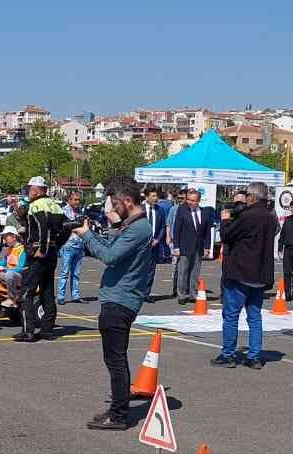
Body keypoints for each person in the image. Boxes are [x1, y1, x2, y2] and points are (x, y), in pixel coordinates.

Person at [77, 180, 154, 430]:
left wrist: (87, 235)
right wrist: (115, 224)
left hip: (121, 300)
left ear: (128, 202)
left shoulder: (140, 228)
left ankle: (119, 415)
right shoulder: (132, 225)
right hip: (116, 298)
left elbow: (109, 256)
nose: (112, 208)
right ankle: (116, 409)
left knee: (116, 360)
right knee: (113, 358)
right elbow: (114, 248)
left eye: (115, 204)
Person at [214, 181, 278, 369]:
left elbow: (227, 235)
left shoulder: (248, 216)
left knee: (231, 314)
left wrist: (226, 219)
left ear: (252, 197)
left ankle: (228, 354)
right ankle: (254, 356)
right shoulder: (271, 217)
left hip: (241, 271)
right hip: (260, 274)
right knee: (254, 316)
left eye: (247, 197)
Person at [20, 175, 67, 342]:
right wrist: (57, 245)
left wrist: (41, 249)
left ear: (36, 190)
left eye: (29, 189)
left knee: (27, 292)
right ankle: (47, 330)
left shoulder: (36, 205)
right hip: (51, 253)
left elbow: (43, 227)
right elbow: (68, 227)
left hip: (38, 254)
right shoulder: (56, 206)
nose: (28, 192)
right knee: (47, 291)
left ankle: (28, 331)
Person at [169, 188, 210, 304]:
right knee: (183, 271)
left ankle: (193, 294)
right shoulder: (182, 210)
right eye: (188, 200)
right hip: (184, 246)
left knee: (195, 272)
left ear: (198, 201)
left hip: (198, 247)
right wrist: (176, 246)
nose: (190, 202)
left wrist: (207, 247)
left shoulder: (204, 212)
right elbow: (177, 229)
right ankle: (181, 295)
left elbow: (207, 232)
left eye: (193, 200)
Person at [0, 224, 29, 299]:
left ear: (14, 237)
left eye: (5, 237)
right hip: (9, 274)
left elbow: (21, 268)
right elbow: (3, 263)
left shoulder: (22, 250)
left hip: (19, 276)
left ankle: (13, 297)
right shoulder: (9, 249)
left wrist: (5, 269)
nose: (4, 240)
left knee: (9, 274)